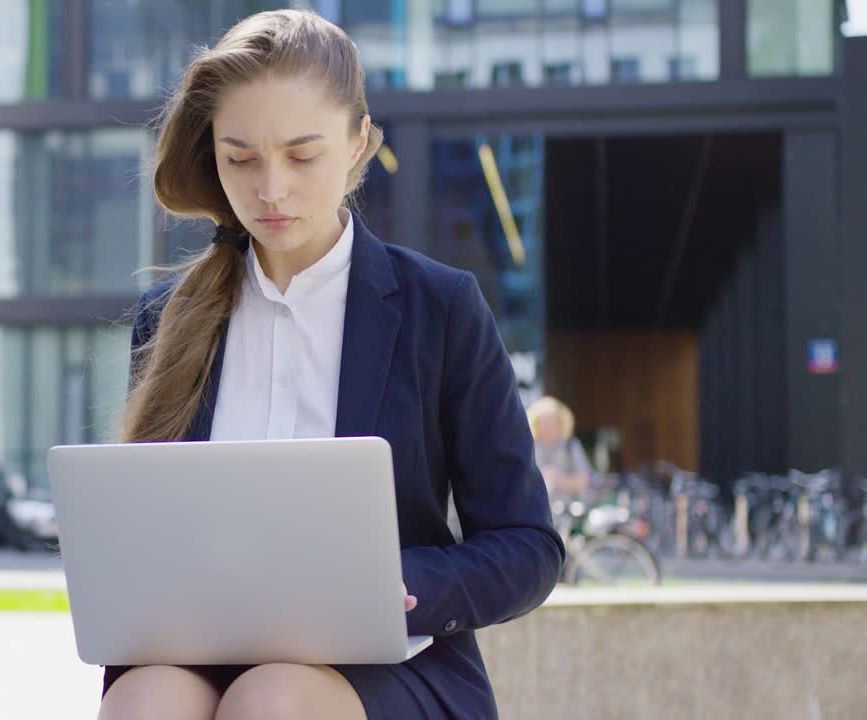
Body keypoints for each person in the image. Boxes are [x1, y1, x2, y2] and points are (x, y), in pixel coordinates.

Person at [99, 10, 563, 720]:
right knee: (143, 701)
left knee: (274, 699)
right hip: (201, 655)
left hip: (388, 666)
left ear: (358, 143)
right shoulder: (166, 319)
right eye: (240, 158)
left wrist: (392, 584)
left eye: (302, 154)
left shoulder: (440, 307)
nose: (271, 190)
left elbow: (528, 547)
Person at [526, 396, 594, 502]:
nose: (548, 426)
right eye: (544, 421)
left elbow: (584, 479)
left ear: (560, 423)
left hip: (568, 510)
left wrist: (559, 480)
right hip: (537, 509)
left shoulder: (570, 445)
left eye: (552, 421)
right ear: (536, 423)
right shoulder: (529, 446)